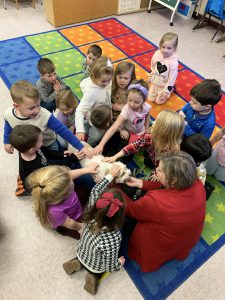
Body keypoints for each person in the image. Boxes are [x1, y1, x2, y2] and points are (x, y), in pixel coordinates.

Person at [123, 151, 206, 272]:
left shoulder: (156, 201)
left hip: (160, 244)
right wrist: (141, 183)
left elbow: (131, 209)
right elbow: (170, 188)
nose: (156, 170)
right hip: (185, 239)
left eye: (160, 170)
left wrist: (115, 191)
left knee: (119, 214)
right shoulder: (197, 183)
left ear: (173, 180)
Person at [62, 165, 126, 295]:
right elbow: (109, 264)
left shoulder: (90, 209)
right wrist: (118, 264)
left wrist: (110, 175)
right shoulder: (114, 237)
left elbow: (96, 190)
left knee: (85, 255)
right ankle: (93, 277)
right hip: (96, 265)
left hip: (81, 250)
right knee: (97, 268)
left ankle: (76, 262)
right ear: (119, 216)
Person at [3, 80, 91, 157]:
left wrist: (81, 147)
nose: (37, 110)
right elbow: (8, 124)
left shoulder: (44, 115)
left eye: (38, 105)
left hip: (49, 144)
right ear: (17, 106)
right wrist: (7, 141)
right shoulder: (8, 114)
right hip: (28, 148)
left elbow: (63, 131)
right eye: (31, 108)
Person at [26, 164, 98, 240]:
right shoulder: (53, 212)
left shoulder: (58, 185)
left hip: (74, 205)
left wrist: (87, 170)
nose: (71, 179)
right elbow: (71, 223)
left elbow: (68, 176)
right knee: (83, 236)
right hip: (70, 221)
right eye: (71, 184)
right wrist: (81, 227)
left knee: (85, 191)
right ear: (63, 195)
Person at [9, 124, 85, 192]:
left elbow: (47, 152)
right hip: (40, 181)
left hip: (45, 166)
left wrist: (61, 154)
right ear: (32, 149)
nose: (43, 141)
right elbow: (55, 169)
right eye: (41, 141)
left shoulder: (27, 150)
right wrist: (73, 159)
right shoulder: (36, 166)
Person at [104, 109, 184, 168]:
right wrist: (115, 157)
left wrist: (159, 170)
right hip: (151, 153)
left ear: (164, 131)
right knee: (147, 157)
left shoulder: (174, 149)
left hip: (159, 163)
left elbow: (168, 164)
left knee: (150, 164)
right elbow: (133, 146)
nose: (153, 122)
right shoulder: (150, 137)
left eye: (157, 122)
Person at [93, 79, 151, 155]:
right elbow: (114, 127)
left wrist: (146, 128)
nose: (132, 104)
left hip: (139, 131)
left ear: (144, 101)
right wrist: (101, 145)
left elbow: (147, 115)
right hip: (126, 131)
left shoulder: (146, 107)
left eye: (137, 102)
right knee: (129, 149)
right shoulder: (126, 110)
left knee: (138, 148)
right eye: (130, 100)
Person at [75, 56, 114, 142]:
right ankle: (90, 144)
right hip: (96, 120)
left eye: (109, 80)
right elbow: (80, 110)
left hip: (105, 115)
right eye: (104, 81)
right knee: (95, 137)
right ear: (93, 76)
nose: (107, 83)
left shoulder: (104, 81)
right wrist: (79, 130)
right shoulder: (91, 93)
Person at [148, 32, 178, 104]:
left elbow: (172, 78)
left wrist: (166, 91)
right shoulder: (157, 54)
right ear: (160, 45)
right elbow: (153, 65)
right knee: (150, 99)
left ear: (174, 48)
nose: (165, 50)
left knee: (158, 101)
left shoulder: (173, 63)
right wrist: (152, 73)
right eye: (163, 47)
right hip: (155, 83)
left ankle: (171, 88)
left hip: (164, 85)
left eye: (169, 48)